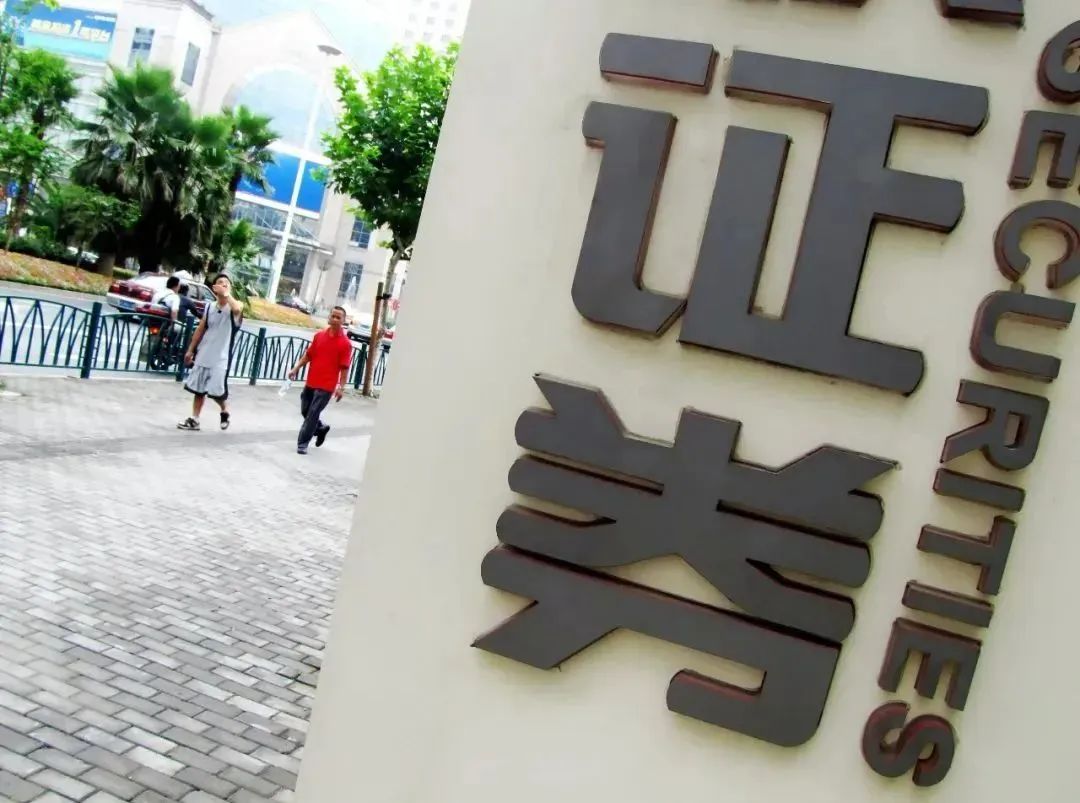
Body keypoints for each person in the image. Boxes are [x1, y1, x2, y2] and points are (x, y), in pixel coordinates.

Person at [177, 274, 243, 432]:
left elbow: (237, 309)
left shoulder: (235, 305)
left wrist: (227, 295)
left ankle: (225, 409)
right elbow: (201, 329)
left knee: (215, 391)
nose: (224, 284)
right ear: (214, 288)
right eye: (220, 282)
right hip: (204, 353)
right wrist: (191, 350)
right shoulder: (209, 307)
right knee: (198, 389)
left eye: (227, 283)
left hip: (221, 357)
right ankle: (194, 419)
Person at [288, 306, 353, 455]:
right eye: (333, 316)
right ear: (329, 317)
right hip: (311, 381)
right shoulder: (319, 336)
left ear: (343, 320)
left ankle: (302, 443)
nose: (335, 319)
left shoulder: (345, 344)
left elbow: (344, 368)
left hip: (326, 386)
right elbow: (308, 355)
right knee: (305, 410)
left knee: (312, 413)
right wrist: (296, 368)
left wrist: (341, 387)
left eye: (338, 317)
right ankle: (320, 428)